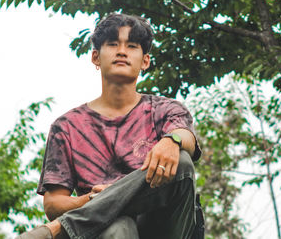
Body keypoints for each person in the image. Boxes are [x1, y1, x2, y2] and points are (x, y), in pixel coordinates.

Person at [17, 13, 201, 239]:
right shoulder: (67, 127)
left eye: (132, 46)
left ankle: (58, 230)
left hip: (164, 229)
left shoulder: (165, 109)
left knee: (181, 160)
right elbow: (53, 204)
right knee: (119, 225)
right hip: (103, 234)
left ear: (145, 61)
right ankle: (87, 220)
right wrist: (95, 201)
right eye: (113, 44)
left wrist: (172, 140)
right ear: (95, 57)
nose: (122, 51)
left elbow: (187, 138)